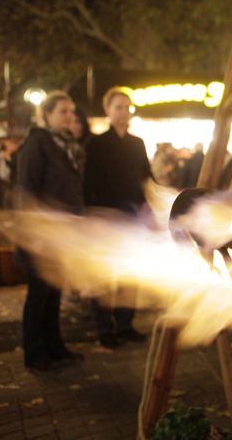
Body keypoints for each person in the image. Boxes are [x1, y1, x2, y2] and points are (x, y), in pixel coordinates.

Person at [15, 91, 84, 371]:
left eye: (71, 111)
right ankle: (35, 354)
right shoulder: (37, 144)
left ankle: (55, 347)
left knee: (54, 293)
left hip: (61, 234)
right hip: (41, 234)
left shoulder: (63, 144)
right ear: (46, 115)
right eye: (63, 111)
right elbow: (27, 190)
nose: (69, 116)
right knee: (39, 296)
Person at [83, 87, 151, 348]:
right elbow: (87, 183)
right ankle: (104, 329)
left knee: (129, 274)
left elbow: (146, 179)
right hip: (105, 218)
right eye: (118, 107)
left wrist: (150, 207)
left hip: (133, 218)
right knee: (105, 275)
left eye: (127, 107)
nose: (123, 112)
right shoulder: (96, 144)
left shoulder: (137, 143)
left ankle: (125, 324)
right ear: (108, 110)